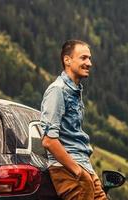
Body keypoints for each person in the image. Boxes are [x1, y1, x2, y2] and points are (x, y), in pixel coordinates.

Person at [40, 39, 106, 200]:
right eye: (83, 58)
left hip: (83, 167)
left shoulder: (74, 91)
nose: (89, 63)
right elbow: (49, 140)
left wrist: (85, 172)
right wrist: (78, 171)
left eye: (89, 58)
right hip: (70, 171)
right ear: (67, 60)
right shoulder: (57, 91)